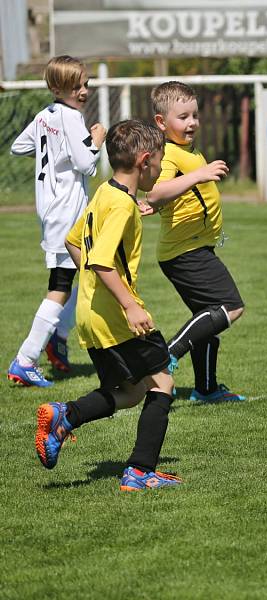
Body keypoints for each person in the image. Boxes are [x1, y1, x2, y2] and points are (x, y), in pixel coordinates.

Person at [35, 119, 181, 492]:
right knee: (162, 382)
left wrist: (93, 284)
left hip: (90, 314)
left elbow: (73, 241)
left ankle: (65, 416)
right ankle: (139, 471)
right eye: (160, 162)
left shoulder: (105, 193)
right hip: (115, 315)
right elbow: (100, 261)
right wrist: (130, 305)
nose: (161, 169)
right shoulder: (121, 206)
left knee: (132, 392)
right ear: (145, 160)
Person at [139, 81, 245, 403]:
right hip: (185, 252)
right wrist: (198, 176)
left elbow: (162, 198)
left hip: (195, 247)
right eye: (183, 117)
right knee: (230, 306)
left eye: (195, 115)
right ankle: (167, 354)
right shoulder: (169, 153)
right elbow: (155, 191)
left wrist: (159, 205)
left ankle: (207, 389)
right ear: (161, 122)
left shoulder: (186, 150)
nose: (192, 123)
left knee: (208, 320)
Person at [8, 55, 106, 387]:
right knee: (66, 286)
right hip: (68, 216)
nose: (83, 91)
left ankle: (56, 336)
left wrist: (51, 146)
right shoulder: (73, 117)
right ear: (56, 88)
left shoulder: (45, 115)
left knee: (86, 278)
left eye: (85, 84)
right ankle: (26, 357)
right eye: (75, 86)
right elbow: (87, 164)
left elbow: (19, 147)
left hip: (51, 212)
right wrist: (97, 139)